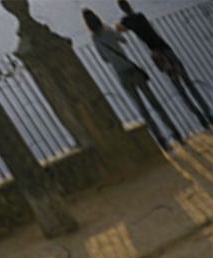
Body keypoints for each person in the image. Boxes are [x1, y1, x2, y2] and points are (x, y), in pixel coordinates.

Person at [84, 8, 182, 150]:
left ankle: (162, 141)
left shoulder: (95, 38)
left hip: (122, 75)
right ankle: (176, 134)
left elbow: (104, 59)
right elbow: (123, 40)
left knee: (142, 110)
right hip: (132, 69)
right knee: (154, 103)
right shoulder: (108, 30)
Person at [117, 0, 212, 130]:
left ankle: (201, 119)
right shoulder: (140, 15)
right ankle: (208, 113)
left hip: (158, 55)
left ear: (122, 9)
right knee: (189, 83)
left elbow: (119, 30)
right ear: (129, 6)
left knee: (180, 89)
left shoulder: (127, 21)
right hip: (167, 49)